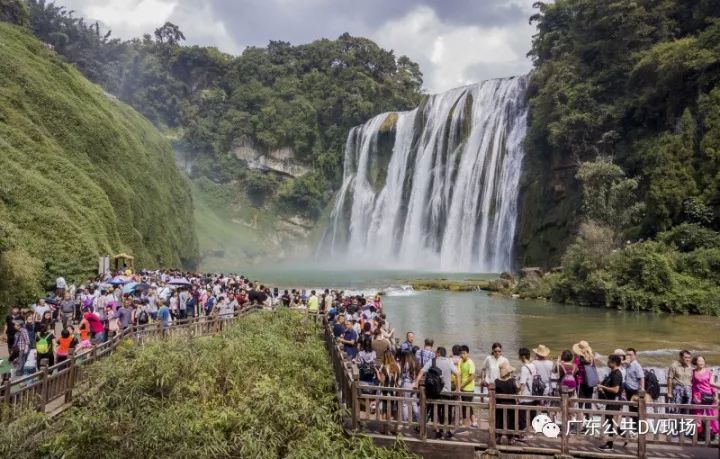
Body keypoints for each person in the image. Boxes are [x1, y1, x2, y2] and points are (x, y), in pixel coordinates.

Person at [415, 346, 460, 439]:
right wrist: (458, 389)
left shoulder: (432, 361)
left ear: (438, 353)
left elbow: (421, 371)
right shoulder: (449, 361)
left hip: (434, 392)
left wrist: (416, 383)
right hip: (446, 392)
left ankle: (438, 432)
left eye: (436, 352)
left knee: (436, 412)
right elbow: (457, 374)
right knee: (446, 412)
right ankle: (446, 431)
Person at [598, 354, 624, 451]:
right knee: (609, 421)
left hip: (614, 401)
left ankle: (610, 444)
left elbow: (616, 390)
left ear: (614, 363)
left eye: (609, 361)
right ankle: (624, 435)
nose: (607, 362)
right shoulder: (612, 373)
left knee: (610, 421)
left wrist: (604, 388)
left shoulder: (617, 374)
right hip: (610, 401)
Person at [691, 356, 719, 437]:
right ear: (695, 362)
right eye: (699, 361)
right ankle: (698, 433)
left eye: (703, 361)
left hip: (709, 396)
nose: (701, 362)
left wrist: (716, 396)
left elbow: (713, 386)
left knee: (712, 414)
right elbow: (692, 384)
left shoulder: (709, 372)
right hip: (697, 396)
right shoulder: (693, 372)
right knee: (698, 415)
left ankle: (715, 433)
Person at [495, 363, 518, 445]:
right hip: (510, 405)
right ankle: (510, 438)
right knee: (511, 421)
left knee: (498, 421)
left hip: (499, 405)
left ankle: (498, 436)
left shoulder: (496, 381)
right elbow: (516, 391)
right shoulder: (512, 381)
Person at [517, 347, 537, 434]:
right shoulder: (533, 366)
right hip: (533, 395)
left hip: (525, 395)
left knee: (523, 417)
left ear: (523, 357)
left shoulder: (524, 368)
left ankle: (524, 434)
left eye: (520, 356)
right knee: (531, 415)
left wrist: (519, 396)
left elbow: (522, 384)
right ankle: (530, 432)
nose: (519, 358)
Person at [459, 344, 477, 427]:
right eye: (461, 353)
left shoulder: (470, 362)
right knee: (465, 405)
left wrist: (462, 385)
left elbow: (472, 376)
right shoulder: (461, 361)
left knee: (467, 406)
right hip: (462, 387)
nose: (462, 355)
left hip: (469, 388)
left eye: (464, 353)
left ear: (468, 353)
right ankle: (473, 422)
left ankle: (465, 423)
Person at [399, 350, 420, 423]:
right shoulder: (416, 363)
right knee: (414, 403)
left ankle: (406, 420)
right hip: (414, 384)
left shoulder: (406, 364)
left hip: (407, 384)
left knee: (405, 403)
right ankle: (418, 420)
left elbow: (403, 376)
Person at [624, 348, 644, 419]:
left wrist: (641, 390)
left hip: (634, 390)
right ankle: (634, 427)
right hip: (628, 390)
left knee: (635, 410)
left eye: (630, 355)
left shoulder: (636, 365)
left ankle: (637, 428)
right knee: (631, 409)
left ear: (635, 355)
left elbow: (641, 377)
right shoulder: (627, 364)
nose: (628, 356)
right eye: (627, 354)